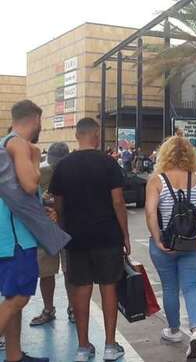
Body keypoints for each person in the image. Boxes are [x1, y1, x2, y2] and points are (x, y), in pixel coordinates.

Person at [50, 118, 129, 361]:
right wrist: (125, 235)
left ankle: (83, 347)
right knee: (109, 288)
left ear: (76, 136)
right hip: (107, 236)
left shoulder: (63, 166)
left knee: (81, 290)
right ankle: (109, 345)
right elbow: (118, 202)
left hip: (76, 238)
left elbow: (58, 206)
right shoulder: (109, 163)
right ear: (96, 136)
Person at [145, 136, 196, 359]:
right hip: (194, 242)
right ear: (190, 155)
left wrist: (158, 239)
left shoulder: (157, 180)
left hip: (167, 243)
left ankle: (173, 330)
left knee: (170, 287)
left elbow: (151, 212)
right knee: (192, 286)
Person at [0, 100, 49, 362]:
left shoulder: (6, 143)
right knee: (18, 298)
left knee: (12, 298)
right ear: (35, 119)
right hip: (18, 238)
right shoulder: (18, 144)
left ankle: (14, 356)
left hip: (9, 236)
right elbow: (30, 184)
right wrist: (34, 156)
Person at [30, 142, 73, 327]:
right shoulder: (40, 173)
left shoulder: (74, 174)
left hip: (67, 227)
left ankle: (72, 308)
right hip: (47, 229)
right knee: (46, 272)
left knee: (70, 271)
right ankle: (49, 309)